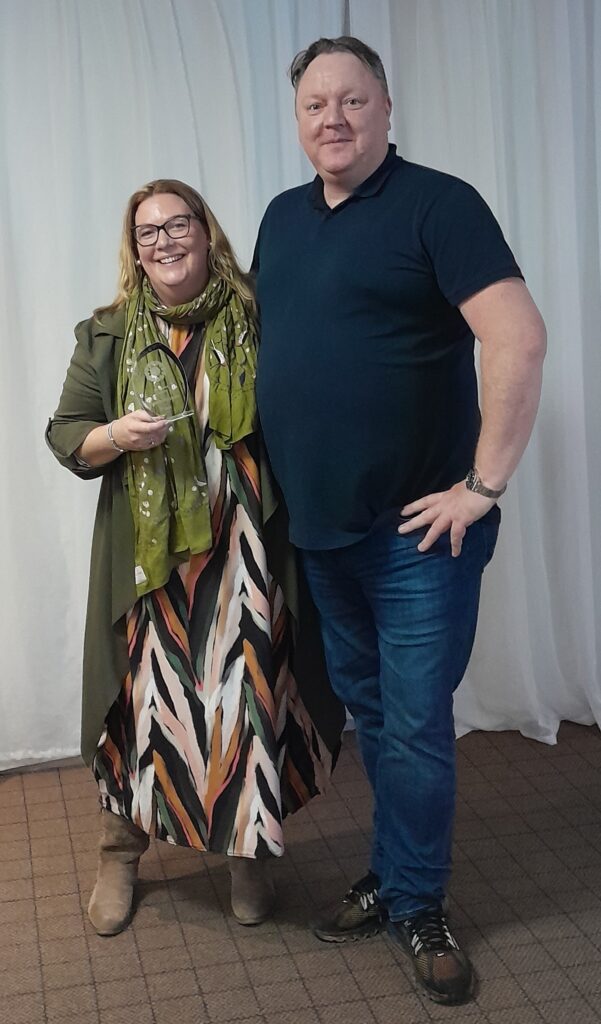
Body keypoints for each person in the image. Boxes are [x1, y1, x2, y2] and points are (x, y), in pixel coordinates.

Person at [253, 37, 546, 1005]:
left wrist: (484, 484)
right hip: (322, 529)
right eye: (313, 105)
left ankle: (418, 898)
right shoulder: (280, 219)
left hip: (420, 531)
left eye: (351, 100)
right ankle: (393, 869)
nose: (331, 118)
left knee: (414, 725)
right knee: (373, 714)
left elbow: (517, 335)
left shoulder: (439, 205)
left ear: (386, 107)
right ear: (297, 121)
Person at [47, 179, 344, 937]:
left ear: (206, 233)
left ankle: (248, 854)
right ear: (135, 250)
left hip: (243, 546)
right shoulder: (108, 332)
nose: (165, 240)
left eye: (179, 224)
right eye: (148, 232)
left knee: (247, 697)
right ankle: (120, 852)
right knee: (140, 706)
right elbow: (66, 435)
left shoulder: (256, 317)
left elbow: (308, 405)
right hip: (150, 562)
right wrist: (119, 436)